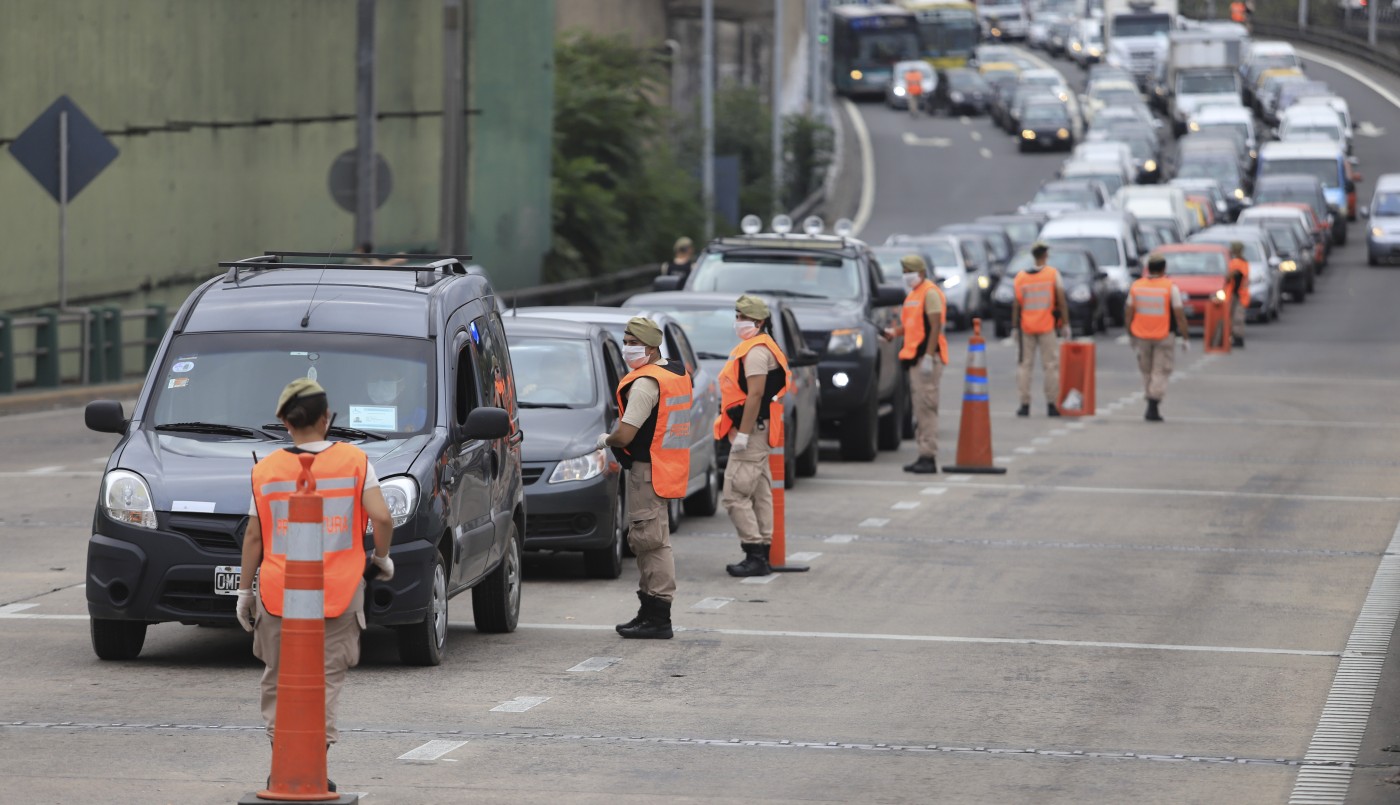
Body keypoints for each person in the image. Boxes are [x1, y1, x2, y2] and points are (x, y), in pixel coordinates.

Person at [236, 378, 395, 766]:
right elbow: (382, 518)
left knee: (279, 679)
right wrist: (381, 560)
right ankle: (312, 768)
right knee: (324, 683)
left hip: (278, 596)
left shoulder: (266, 471)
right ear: (327, 418)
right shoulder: (355, 461)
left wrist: (244, 592)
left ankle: (284, 762)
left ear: (284, 421)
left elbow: (254, 537)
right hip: (338, 595)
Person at [599, 317, 693, 639]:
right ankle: (648, 611)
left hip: (647, 470)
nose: (627, 348)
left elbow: (625, 434)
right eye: (625, 341)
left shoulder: (646, 383)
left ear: (652, 347)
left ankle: (658, 616)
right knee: (648, 539)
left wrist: (606, 440)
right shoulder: (674, 373)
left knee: (650, 542)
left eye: (632, 342)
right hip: (665, 466)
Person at [716, 295, 792, 576]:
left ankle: (755, 553)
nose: (738, 322)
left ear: (759, 322)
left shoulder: (758, 351)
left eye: (743, 318)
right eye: (737, 316)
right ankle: (764, 551)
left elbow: (756, 394)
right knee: (760, 492)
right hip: (757, 429)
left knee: (734, 494)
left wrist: (743, 434)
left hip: (752, 430)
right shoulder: (754, 346)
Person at [881, 255, 948, 473]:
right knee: (920, 409)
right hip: (915, 359)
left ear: (919, 272)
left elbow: (935, 326)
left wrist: (928, 356)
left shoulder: (930, 293)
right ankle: (923, 454)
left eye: (908, 271)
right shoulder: (914, 294)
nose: (905, 275)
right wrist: (895, 332)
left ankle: (928, 456)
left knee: (926, 408)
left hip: (926, 359)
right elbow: (912, 326)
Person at [1125, 254, 1191, 422]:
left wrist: (1130, 334)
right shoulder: (1170, 287)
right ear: (1164, 269)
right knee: (1160, 370)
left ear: (1148, 268)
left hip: (1141, 335)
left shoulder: (1137, 286)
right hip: (1164, 335)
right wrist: (1185, 337)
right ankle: (1153, 404)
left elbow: (1128, 312)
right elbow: (1179, 314)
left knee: (1146, 370)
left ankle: (1150, 400)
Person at [1012, 241, 1070, 417]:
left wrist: (1014, 327)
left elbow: (1016, 304)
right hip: (1047, 327)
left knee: (1025, 366)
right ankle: (1052, 404)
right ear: (1045, 255)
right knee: (1051, 366)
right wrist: (1066, 324)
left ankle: (1024, 405)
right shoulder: (1052, 275)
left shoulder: (1021, 277)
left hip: (1026, 327)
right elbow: (1061, 301)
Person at [1226, 241, 1249, 348]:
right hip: (1237, 294)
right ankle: (1233, 336)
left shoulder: (1236, 262)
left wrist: (1228, 276)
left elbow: (1232, 275)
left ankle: (1238, 337)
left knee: (1237, 317)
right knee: (1233, 316)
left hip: (1239, 294)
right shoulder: (1244, 262)